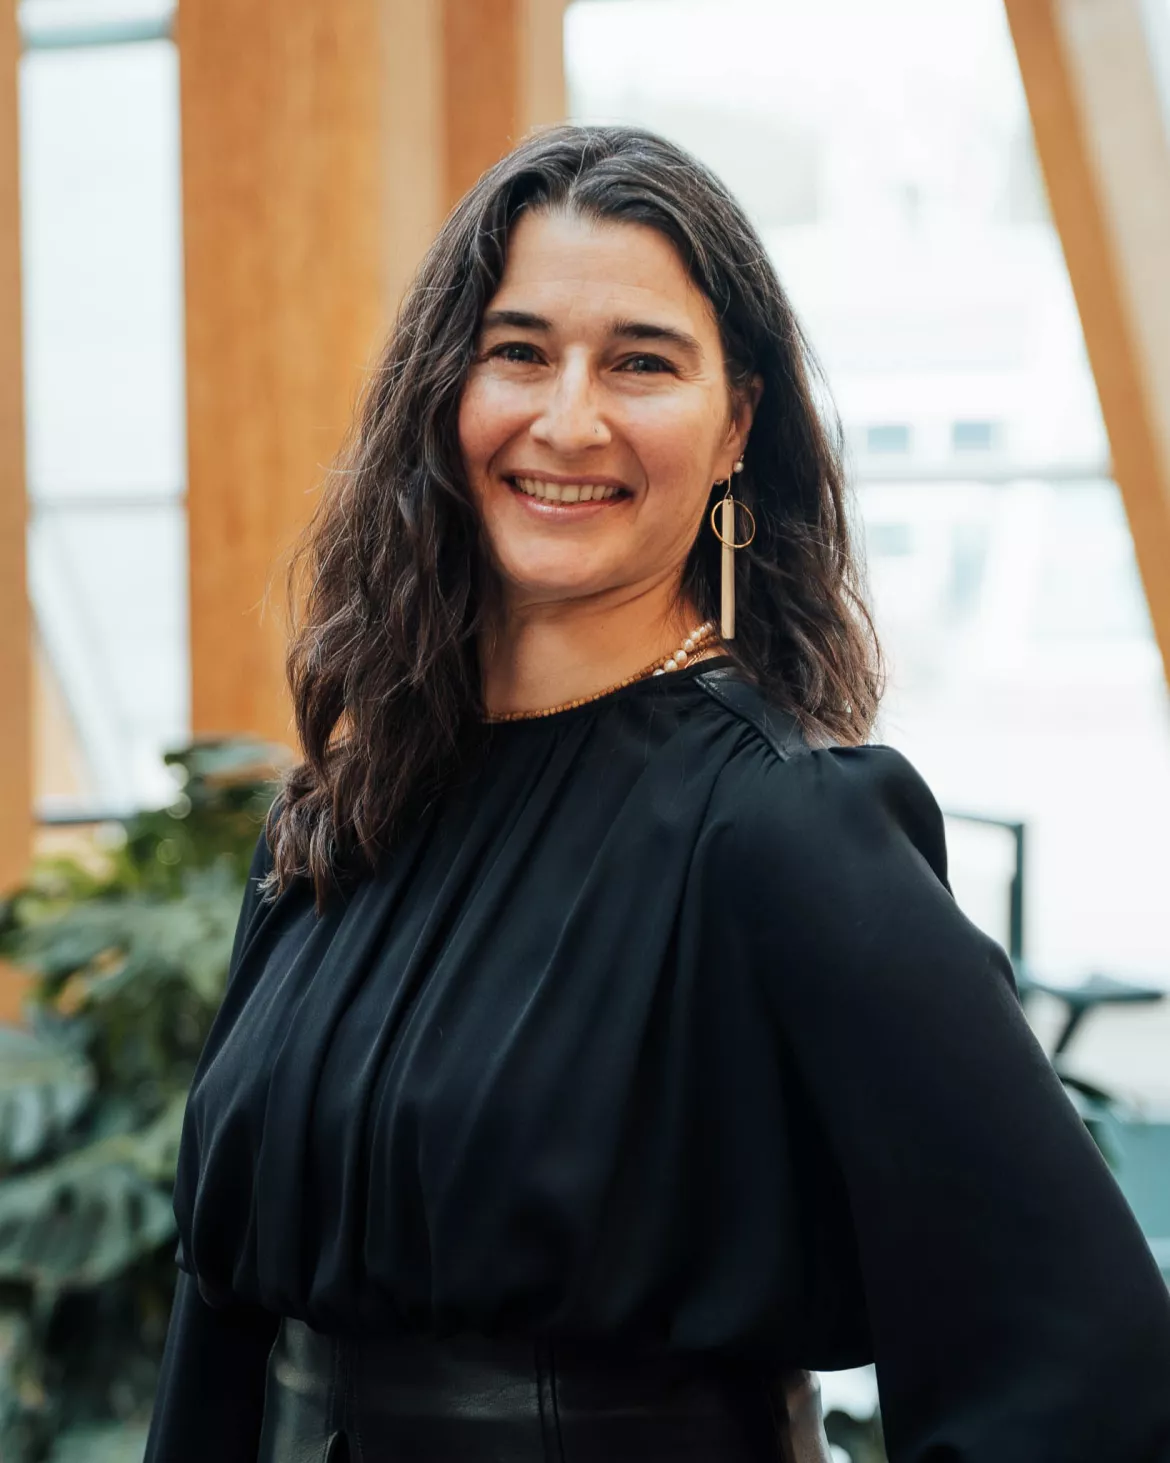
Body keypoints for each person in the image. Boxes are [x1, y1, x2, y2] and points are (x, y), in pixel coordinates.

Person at [144, 124, 1170, 1463]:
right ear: (443, 394)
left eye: (640, 361)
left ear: (736, 420)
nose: (567, 418)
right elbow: (216, 1326)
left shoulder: (787, 831)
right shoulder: (337, 820)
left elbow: (1078, 1372)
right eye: (517, 351)